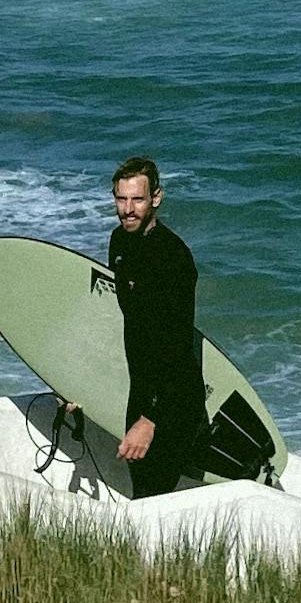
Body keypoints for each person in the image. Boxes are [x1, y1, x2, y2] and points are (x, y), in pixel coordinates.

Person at [106, 154, 208, 497]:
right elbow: (124, 323)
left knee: (152, 497)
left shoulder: (174, 259)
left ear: (156, 199)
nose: (128, 209)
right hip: (142, 389)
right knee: (142, 488)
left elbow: (177, 347)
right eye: (121, 199)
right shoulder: (119, 243)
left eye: (137, 199)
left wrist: (150, 420)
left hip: (173, 399)